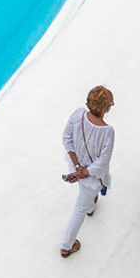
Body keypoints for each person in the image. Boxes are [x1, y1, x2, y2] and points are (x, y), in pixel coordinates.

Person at [58, 85, 115, 258]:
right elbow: (102, 164)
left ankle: (91, 206)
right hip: (90, 177)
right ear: (105, 108)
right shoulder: (107, 132)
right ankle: (66, 245)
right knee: (79, 210)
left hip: (75, 167)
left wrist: (76, 168)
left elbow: (66, 138)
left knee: (85, 197)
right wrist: (83, 172)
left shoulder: (78, 114)